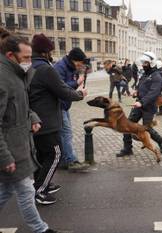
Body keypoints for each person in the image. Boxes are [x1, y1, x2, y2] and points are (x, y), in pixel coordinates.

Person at [0, 35, 57, 233]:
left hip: (19, 145)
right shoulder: (3, 80)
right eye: (25, 57)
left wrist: (32, 117)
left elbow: (20, 107)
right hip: (10, 149)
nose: (29, 62)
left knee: (7, 190)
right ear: (10, 55)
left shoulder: (18, 75)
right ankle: (40, 229)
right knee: (25, 189)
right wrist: (5, 156)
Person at [29, 34, 87, 204]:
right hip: (46, 119)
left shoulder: (34, 65)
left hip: (38, 118)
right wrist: (79, 93)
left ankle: (42, 184)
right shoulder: (45, 68)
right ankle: (39, 190)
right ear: (45, 51)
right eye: (50, 50)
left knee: (41, 154)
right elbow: (61, 90)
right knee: (55, 153)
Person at [116, 52, 162, 157]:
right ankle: (127, 149)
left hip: (148, 107)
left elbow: (154, 92)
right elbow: (141, 86)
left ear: (152, 63)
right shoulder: (145, 74)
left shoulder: (157, 76)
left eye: (146, 63)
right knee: (127, 125)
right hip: (139, 104)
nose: (143, 65)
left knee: (147, 128)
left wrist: (142, 102)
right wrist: (136, 92)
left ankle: (161, 141)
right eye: (143, 63)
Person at [54, 48, 90, 171]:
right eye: (80, 63)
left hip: (64, 105)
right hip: (58, 106)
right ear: (74, 60)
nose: (80, 65)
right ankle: (71, 161)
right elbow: (59, 87)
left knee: (64, 134)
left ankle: (64, 160)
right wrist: (77, 84)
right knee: (66, 134)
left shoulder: (70, 67)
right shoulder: (60, 67)